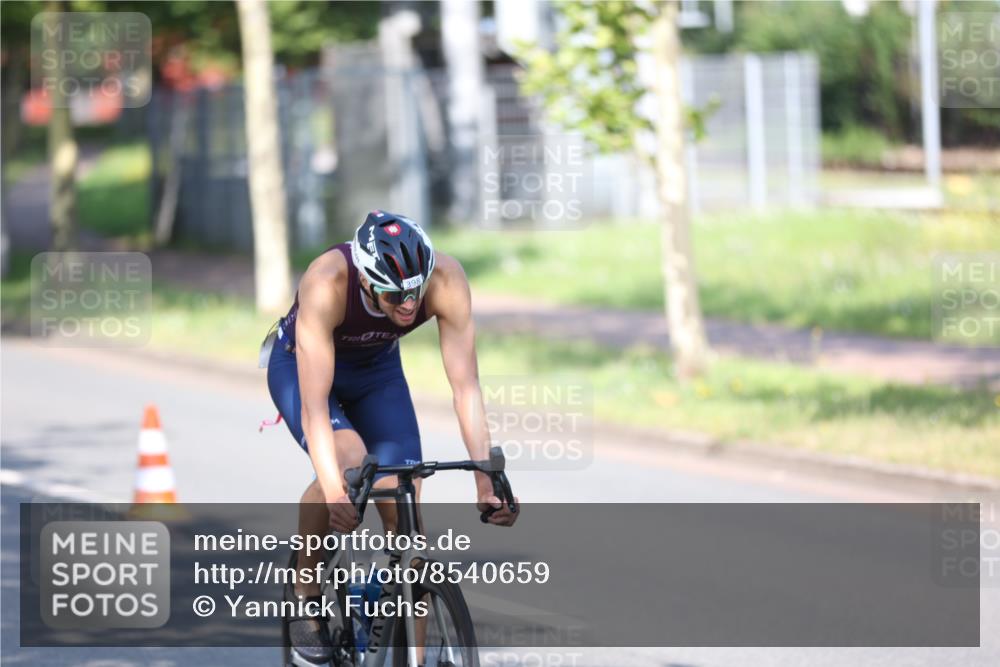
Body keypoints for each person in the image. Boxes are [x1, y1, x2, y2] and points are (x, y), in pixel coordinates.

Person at [266, 210, 518, 662]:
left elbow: (466, 387)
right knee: (349, 462)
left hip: (377, 373)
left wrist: (484, 476)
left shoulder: (445, 279)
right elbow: (315, 408)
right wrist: (333, 490)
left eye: (414, 292)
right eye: (394, 293)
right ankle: (305, 590)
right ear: (365, 281)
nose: (407, 305)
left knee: (407, 522)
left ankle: (412, 659)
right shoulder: (327, 283)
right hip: (302, 369)